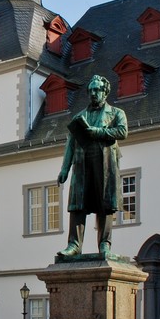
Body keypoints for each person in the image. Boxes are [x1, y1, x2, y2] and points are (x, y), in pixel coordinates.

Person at [57, 74, 128, 258]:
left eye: (97, 90)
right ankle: (74, 245)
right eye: (91, 90)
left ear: (105, 92)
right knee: (77, 204)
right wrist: (65, 168)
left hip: (105, 162)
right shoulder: (80, 116)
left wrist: (98, 132)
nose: (93, 93)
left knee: (105, 204)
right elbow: (70, 144)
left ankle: (104, 244)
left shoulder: (116, 113)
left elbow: (122, 131)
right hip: (82, 163)